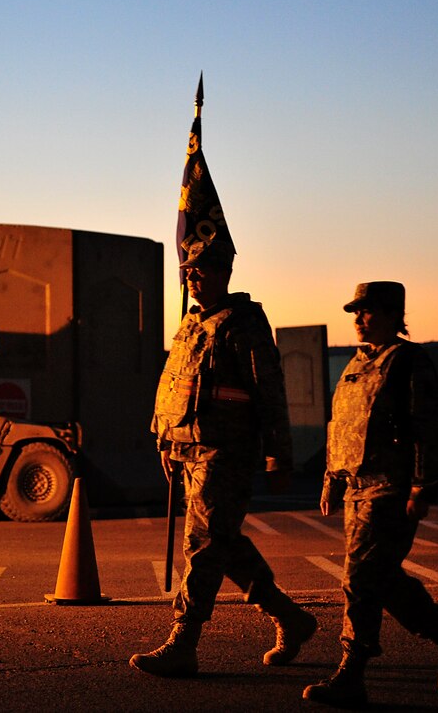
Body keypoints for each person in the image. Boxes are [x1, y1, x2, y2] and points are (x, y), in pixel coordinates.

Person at [129, 239, 316, 677]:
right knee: (222, 542)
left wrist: (279, 457)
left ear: (221, 273)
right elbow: (172, 383)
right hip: (188, 447)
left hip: (226, 450)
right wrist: (165, 439)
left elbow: (271, 392)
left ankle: (184, 640)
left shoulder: (242, 323)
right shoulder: (191, 324)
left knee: (203, 541)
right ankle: (291, 618)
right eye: (186, 272)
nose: (190, 279)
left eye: (198, 271)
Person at [302, 282, 438, 708]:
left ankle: (352, 671)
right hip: (356, 488)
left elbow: (427, 428)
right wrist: (331, 478)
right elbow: (339, 424)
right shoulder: (357, 364)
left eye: (368, 311)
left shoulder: (409, 361)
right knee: (384, 580)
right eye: (356, 312)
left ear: (394, 314)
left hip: (391, 487)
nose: (360, 319)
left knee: (359, 579)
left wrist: (421, 487)